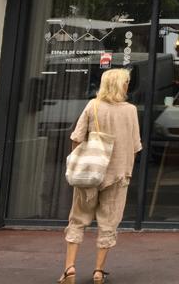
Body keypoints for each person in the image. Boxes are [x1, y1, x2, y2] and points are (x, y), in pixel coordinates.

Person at [59, 69, 142, 284]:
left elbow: (77, 137)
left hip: (90, 173)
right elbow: (135, 145)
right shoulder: (130, 111)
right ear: (121, 85)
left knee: (77, 220)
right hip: (117, 174)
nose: (127, 86)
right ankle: (98, 271)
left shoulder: (92, 106)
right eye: (126, 82)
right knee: (108, 223)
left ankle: (69, 268)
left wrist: (78, 163)